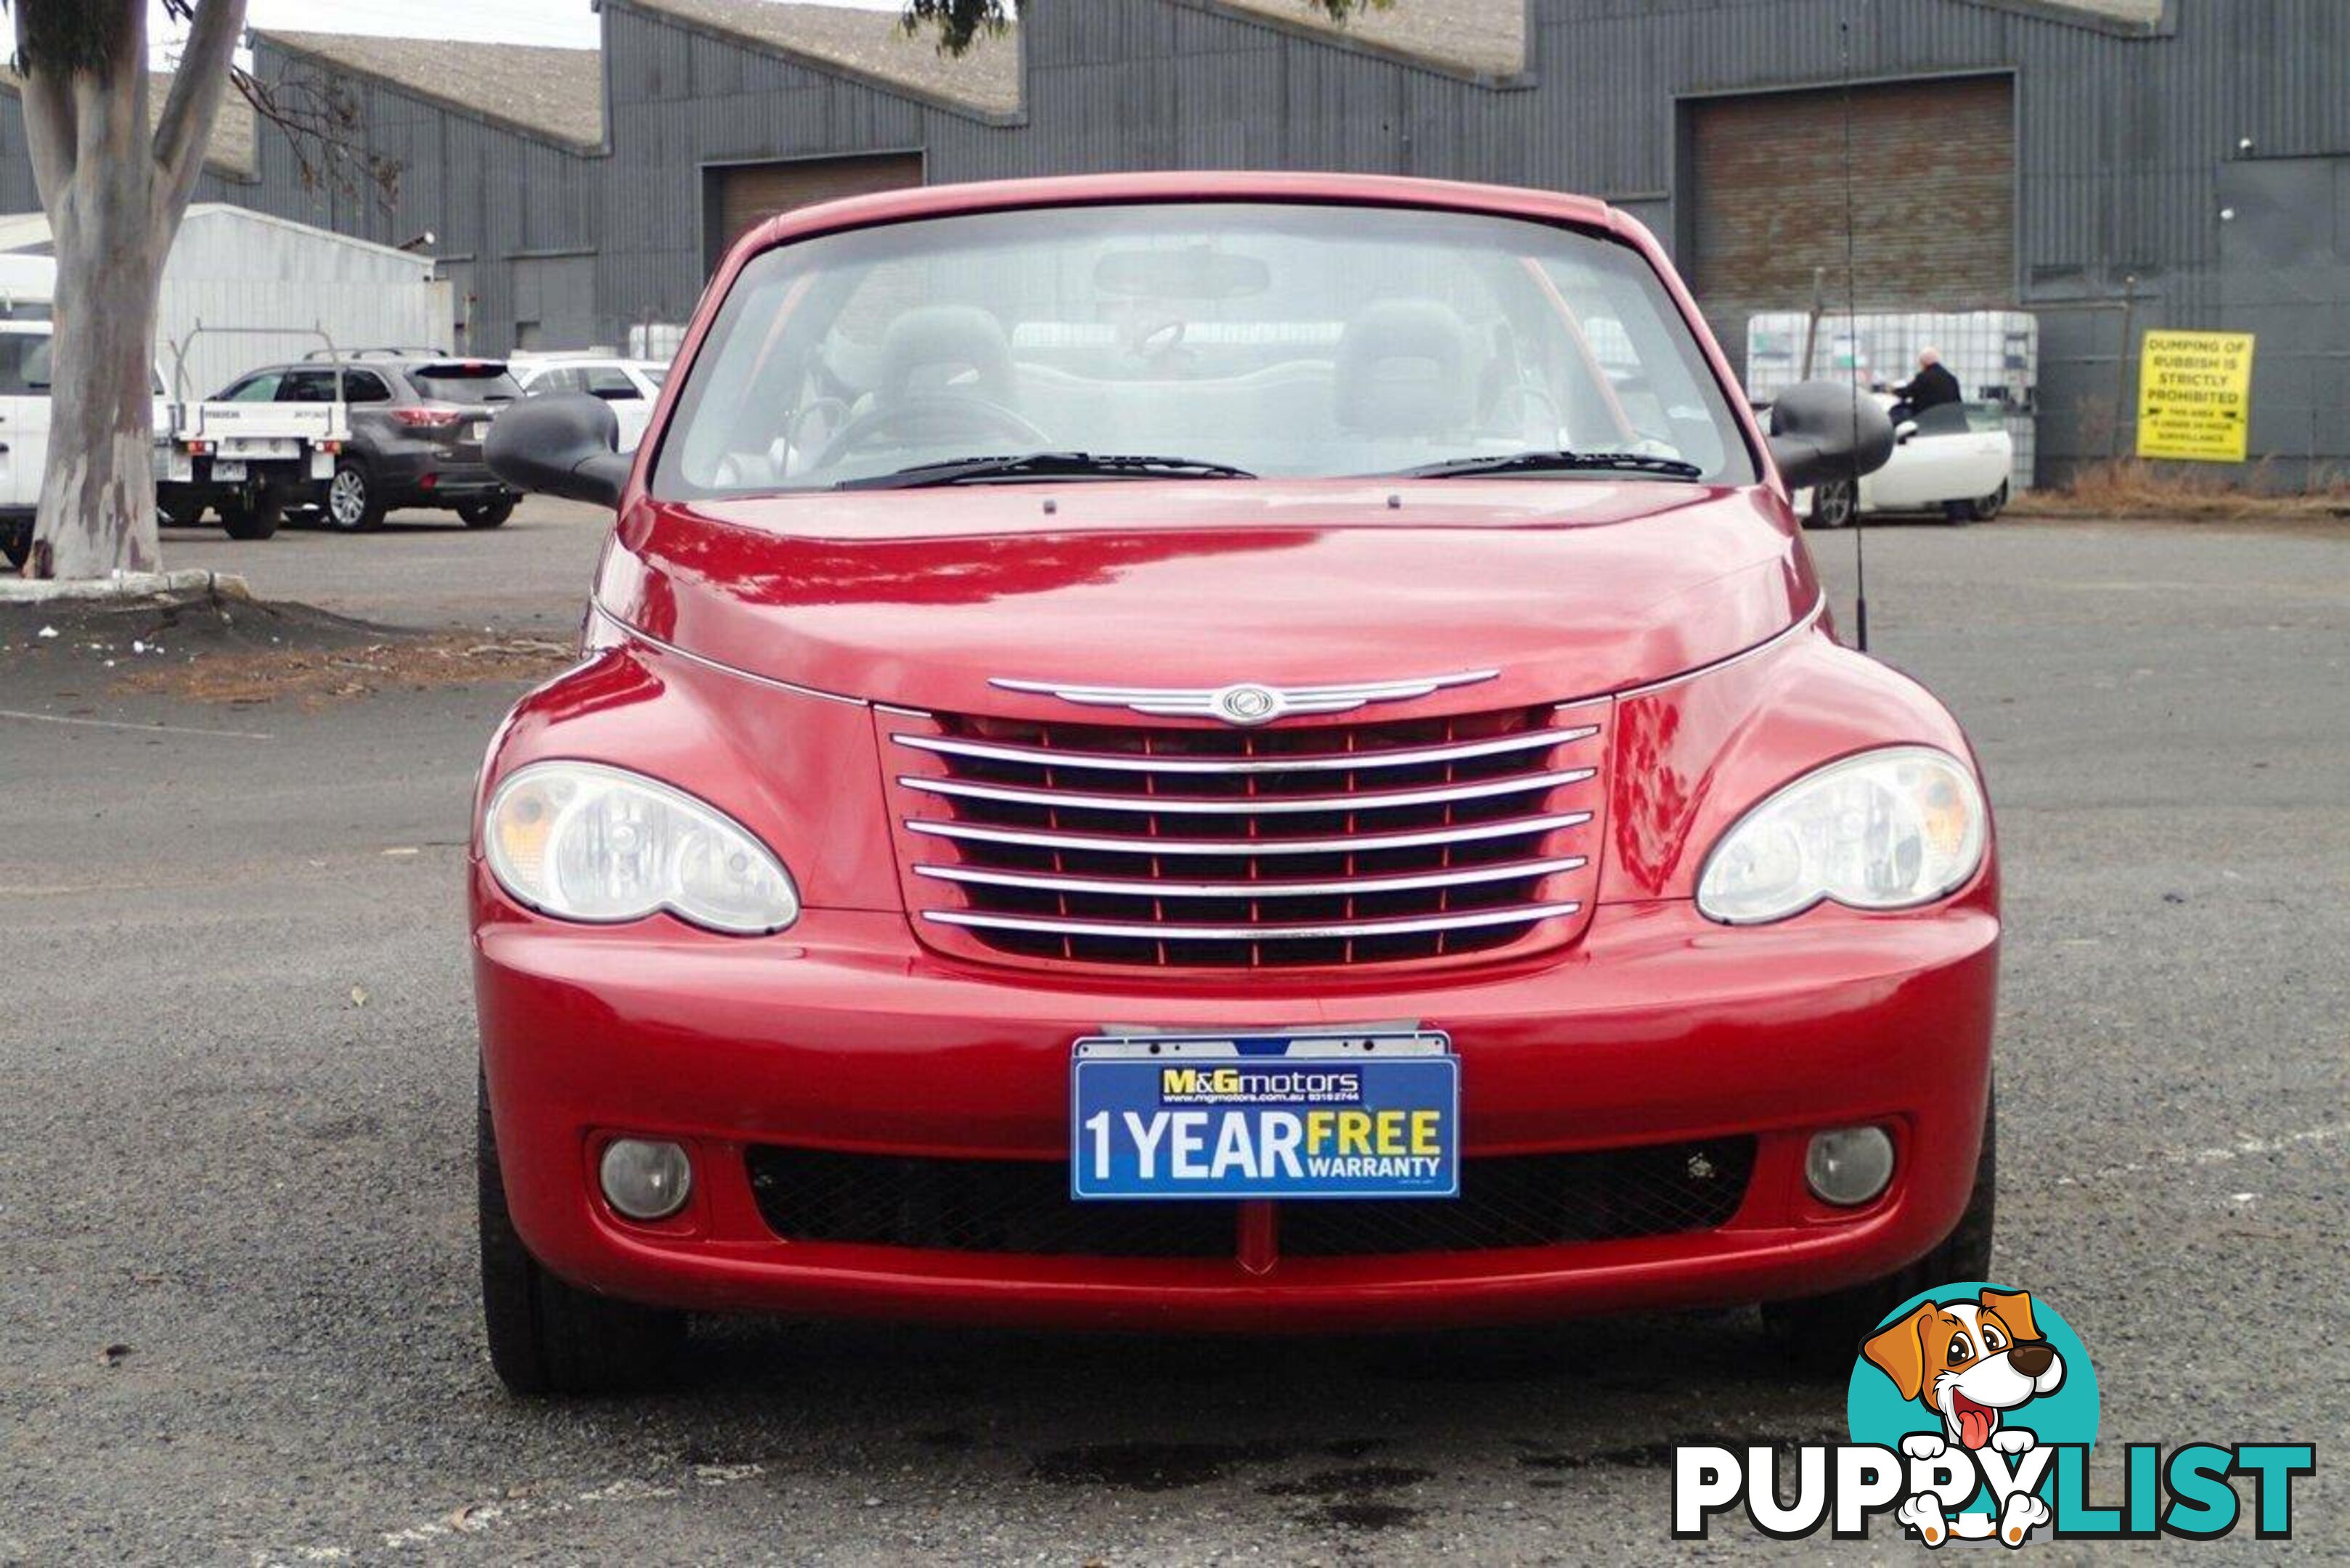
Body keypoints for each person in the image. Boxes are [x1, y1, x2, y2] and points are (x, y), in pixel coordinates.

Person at [1888, 348, 1962, 422]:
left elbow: (1907, 393)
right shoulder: (1951, 378)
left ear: (1923, 363)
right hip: (1951, 418)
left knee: (1897, 411)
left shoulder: (1924, 377)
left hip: (1928, 417)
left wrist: (1893, 390)